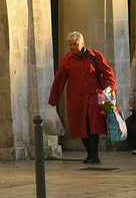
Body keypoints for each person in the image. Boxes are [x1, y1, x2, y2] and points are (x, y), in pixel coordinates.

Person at [49, 30, 117, 164]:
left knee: (93, 125)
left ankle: (94, 154)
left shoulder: (95, 56)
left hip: (94, 97)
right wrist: (53, 100)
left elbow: (108, 73)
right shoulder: (66, 60)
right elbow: (59, 80)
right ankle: (89, 153)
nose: (73, 47)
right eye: (70, 45)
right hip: (76, 99)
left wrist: (111, 90)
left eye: (75, 44)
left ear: (82, 43)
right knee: (81, 126)